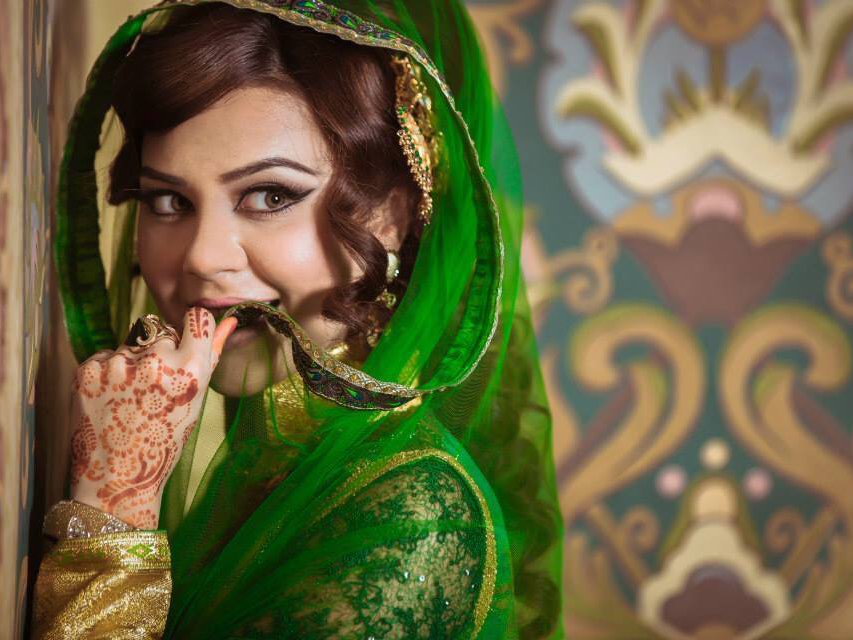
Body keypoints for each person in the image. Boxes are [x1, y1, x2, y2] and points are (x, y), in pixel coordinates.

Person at [32, 1, 564, 638]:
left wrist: (115, 503)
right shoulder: (256, 457)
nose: (201, 257)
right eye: (168, 200)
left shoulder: (416, 515)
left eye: (270, 195)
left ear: (393, 215)